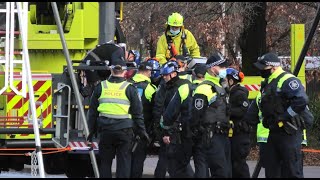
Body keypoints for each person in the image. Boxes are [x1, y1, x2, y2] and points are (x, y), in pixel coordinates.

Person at [87, 58, 149, 178]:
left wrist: (91, 131)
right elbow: (138, 114)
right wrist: (142, 132)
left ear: (111, 69)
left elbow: (92, 112)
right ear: (124, 71)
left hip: (105, 131)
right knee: (124, 163)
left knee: (105, 163)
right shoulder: (130, 88)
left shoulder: (101, 87)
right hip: (124, 131)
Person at [250, 52, 308, 178]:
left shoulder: (287, 80)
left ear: (274, 67)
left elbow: (302, 101)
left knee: (292, 171)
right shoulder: (268, 82)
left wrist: (285, 116)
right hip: (274, 132)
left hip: (289, 133)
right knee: (272, 170)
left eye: (263, 68)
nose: (261, 71)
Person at [191, 52, 232, 178]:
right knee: (220, 173)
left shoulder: (219, 86)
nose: (224, 69)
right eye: (222, 67)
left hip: (223, 135)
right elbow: (196, 116)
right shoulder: (204, 88)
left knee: (226, 172)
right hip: (211, 136)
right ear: (213, 68)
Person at [152, 60, 194, 178]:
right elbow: (158, 107)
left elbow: (178, 111)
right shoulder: (163, 86)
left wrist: (169, 131)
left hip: (175, 130)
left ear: (174, 74)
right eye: (163, 75)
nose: (164, 77)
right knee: (173, 161)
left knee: (172, 162)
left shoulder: (181, 86)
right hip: (165, 128)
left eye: (166, 75)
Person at [128, 61, 157, 178]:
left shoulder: (127, 85)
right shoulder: (150, 88)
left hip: (125, 127)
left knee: (125, 159)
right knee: (138, 159)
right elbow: (156, 110)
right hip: (142, 129)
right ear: (148, 72)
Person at [226, 67, 251, 178]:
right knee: (233, 164)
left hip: (240, 135)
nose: (223, 82)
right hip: (233, 134)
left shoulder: (239, 94)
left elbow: (243, 110)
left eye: (224, 80)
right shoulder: (230, 93)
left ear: (231, 81)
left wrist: (227, 111)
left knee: (239, 164)